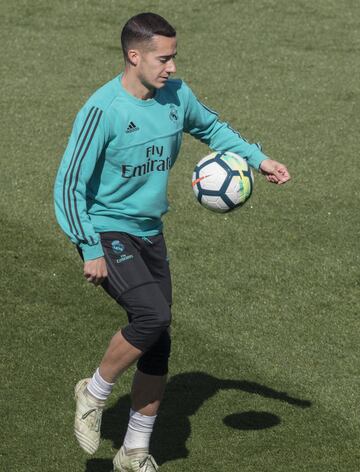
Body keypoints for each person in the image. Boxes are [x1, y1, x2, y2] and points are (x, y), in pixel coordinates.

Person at [54, 12, 290, 472]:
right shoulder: (103, 110)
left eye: (174, 57)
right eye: (163, 59)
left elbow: (213, 129)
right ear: (134, 55)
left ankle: (134, 451)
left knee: (157, 341)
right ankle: (94, 390)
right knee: (151, 314)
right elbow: (67, 186)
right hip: (107, 229)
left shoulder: (175, 96)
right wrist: (90, 246)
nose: (172, 68)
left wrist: (259, 160)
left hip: (148, 232)